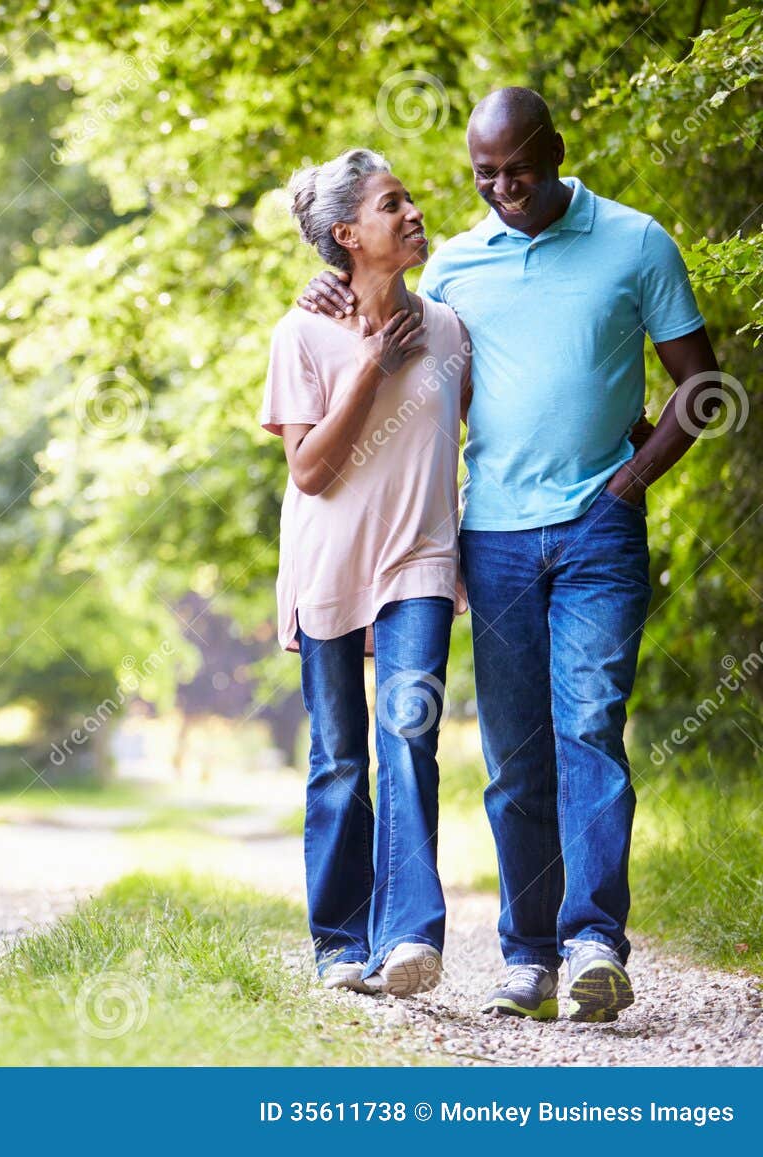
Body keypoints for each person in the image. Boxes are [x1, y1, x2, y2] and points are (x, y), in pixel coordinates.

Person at [298, 88, 726, 1022]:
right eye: (484, 175)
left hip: (598, 530)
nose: (502, 189)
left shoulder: (637, 241)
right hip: (489, 535)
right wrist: (327, 284)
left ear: (557, 151)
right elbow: (395, 339)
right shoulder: (454, 267)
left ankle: (592, 943)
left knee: (591, 727)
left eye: (518, 169)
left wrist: (633, 479)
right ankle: (526, 955)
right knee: (514, 753)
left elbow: (705, 385)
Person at [260, 147, 472, 998]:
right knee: (342, 757)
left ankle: (410, 936)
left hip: (420, 558)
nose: (414, 211)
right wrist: (370, 367)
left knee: (409, 733)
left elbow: (498, 429)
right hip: (330, 569)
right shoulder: (301, 332)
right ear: (348, 234)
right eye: (393, 204)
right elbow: (309, 470)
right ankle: (339, 943)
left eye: (410, 198)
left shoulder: (452, 329)